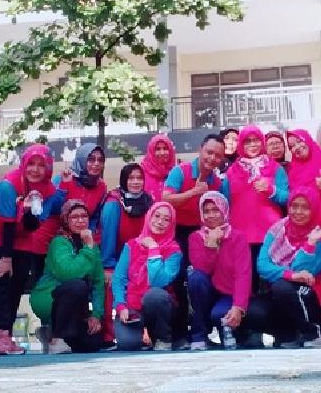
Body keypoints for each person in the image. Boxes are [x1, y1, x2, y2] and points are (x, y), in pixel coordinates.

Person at [0, 144, 65, 355]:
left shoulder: (49, 191)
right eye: (31, 163)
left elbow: (32, 226)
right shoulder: (8, 186)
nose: (35, 169)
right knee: (0, 283)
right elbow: (7, 224)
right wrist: (5, 258)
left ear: (48, 168)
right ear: (24, 164)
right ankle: (0, 335)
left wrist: (28, 211)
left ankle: (5, 334)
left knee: (18, 284)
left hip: (24, 237)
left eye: (41, 165)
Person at [162, 134, 225, 348]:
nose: (212, 158)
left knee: (202, 279)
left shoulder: (218, 182)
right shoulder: (181, 171)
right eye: (209, 152)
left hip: (202, 232)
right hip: (176, 232)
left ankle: (201, 332)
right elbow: (166, 199)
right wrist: (193, 192)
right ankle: (179, 334)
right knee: (177, 279)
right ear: (200, 150)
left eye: (218, 155)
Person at [188, 192, 270, 351]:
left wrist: (238, 306)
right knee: (196, 278)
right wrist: (211, 245)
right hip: (207, 294)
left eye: (216, 210)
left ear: (224, 211)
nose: (211, 215)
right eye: (206, 211)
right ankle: (199, 335)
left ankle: (239, 332)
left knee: (220, 316)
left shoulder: (238, 237)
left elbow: (243, 274)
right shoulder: (195, 237)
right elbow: (202, 269)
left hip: (229, 293)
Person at [257, 187, 321, 348]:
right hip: (287, 288)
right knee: (255, 311)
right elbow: (262, 265)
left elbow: (305, 272)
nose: (298, 212)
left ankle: (316, 332)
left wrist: (310, 243)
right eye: (294, 206)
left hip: (314, 292)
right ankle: (288, 334)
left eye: (305, 207)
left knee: (282, 287)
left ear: (313, 209)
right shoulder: (278, 229)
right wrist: (290, 275)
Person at [30, 200, 105, 354]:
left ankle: (49, 334)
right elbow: (68, 273)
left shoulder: (92, 245)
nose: (80, 220)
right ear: (66, 220)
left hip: (77, 303)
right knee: (77, 285)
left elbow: (98, 282)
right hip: (50, 297)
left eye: (84, 216)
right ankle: (57, 338)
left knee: (93, 343)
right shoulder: (59, 242)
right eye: (75, 217)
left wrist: (96, 315)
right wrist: (88, 248)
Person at [221, 125, 289, 294]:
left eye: (256, 140)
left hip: (271, 236)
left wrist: (272, 190)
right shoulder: (231, 171)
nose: (252, 144)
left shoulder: (276, 168)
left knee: (272, 286)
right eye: (247, 141)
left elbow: (288, 198)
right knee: (247, 285)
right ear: (241, 145)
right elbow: (224, 204)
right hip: (241, 237)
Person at [112, 202, 182, 351]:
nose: (160, 222)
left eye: (166, 219)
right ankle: (144, 335)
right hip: (133, 306)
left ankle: (162, 338)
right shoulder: (131, 245)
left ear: (171, 224)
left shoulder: (174, 250)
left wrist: (153, 249)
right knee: (127, 344)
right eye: (157, 216)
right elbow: (119, 279)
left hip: (160, 306)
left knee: (154, 295)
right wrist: (121, 305)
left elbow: (158, 281)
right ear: (149, 217)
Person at [98, 164, 153, 345]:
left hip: (142, 260)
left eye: (139, 178)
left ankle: (149, 331)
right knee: (111, 285)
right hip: (116, 260)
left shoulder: (148, 201)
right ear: (123, 180)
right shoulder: (114, 203)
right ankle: (108, 335)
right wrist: (108, 265)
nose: (136, 182)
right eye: (131, 178)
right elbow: (108, 236)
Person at [54, 143, 108, 232]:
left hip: (83, 234)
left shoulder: (101, 186)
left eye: (100, 160)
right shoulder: (63, 178)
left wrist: (89, 231)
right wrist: (64, 186)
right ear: (81, 160)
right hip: (57, 233)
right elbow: (52, 209)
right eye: (91, 159)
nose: (97, 163)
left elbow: (95, 216)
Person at [140, 134, 177, 202]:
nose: (162, 153)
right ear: (151, 151)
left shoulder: (177, 173)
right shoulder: (140, 173)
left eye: (165, 148)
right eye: (158, 149)